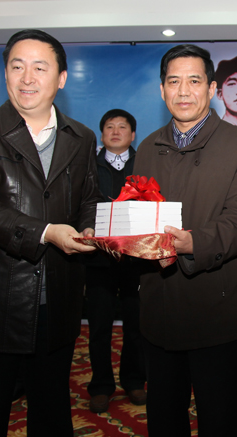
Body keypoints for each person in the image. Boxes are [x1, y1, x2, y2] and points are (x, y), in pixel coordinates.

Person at [0, 29, 101, 436]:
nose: (27, 78)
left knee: (52, 412)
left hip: (57, 300)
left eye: (40, 68)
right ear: (5, 73)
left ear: (61, 78)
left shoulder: (81, 137)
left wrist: (91, 228)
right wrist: (45, 232)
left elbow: (88, 199)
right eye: (17, 66)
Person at [133, 44, 237, 436]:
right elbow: (139, 213)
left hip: (218, 308)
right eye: (173, 81)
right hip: (159, 307)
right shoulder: (148, 147)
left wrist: (193, 242)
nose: (183, 91)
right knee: (164, 416)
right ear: (162, 89)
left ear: (211, 89)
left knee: (221, 417)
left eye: (194, 81)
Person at [86, 109, 146, 413]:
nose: (116, 131)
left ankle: (134, 380)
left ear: (132, 135)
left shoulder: (145, 165)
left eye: (122, 127)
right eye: (109, 126)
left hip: (135, 259)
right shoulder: (89, 165)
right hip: (99, 258)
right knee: (99, 326)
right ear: (102, 134)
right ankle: (100, 386)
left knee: (137, 325)